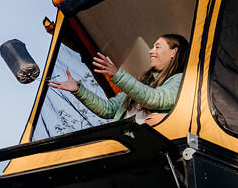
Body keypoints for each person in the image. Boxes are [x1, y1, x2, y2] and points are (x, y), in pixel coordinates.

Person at [48, 33, 188, 125]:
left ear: (174, 52)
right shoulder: (143, 82)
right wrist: (78, 90)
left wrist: (117, 75)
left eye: (157, 47)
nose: (151, 51)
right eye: (152, 47)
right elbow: (108, 109)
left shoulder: (180, 80)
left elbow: (154, 99)